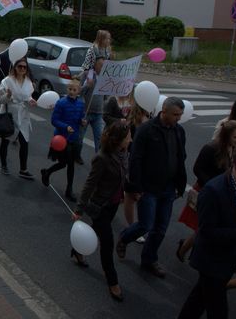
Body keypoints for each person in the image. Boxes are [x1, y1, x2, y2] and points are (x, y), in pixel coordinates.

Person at [177, 143, 236, 319]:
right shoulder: (214, 190)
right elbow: (206, 232)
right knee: (218, 310)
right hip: (212, 261)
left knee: (197, 301)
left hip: (227, 258)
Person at [116, 97, 187, 278]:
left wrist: (180, 183)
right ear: (164, 110)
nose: (178, 118)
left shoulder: (179, 131)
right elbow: (136, 159)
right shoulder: (146, 130)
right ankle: (124, 238)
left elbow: (180, 158)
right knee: (145, 224)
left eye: (180, 115)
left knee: (161, 227)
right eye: (175, 115)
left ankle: (149, 259)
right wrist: (136, 187)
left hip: (168, 187)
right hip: (148, 187)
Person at [73, 120, 132, 302]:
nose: (131, 139)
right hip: (99, 206)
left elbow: (123, 175)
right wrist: (79, 209)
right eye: (128, 137)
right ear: (118, 139)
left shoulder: (123, 153)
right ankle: (112, 282)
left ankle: (77, 249)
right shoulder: (102, 158)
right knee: (107, 244)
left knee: (98, 231)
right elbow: (90, 184)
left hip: (113, 204)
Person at [176, 120, 236, 262]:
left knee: (205, 227)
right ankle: (184, 250)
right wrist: (212, 185)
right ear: (226, 136)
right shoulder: (211, 148)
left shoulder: (234, 149)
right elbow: (197, 169)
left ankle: (187, 248)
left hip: (220, 192)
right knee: (202, 227)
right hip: (207, 191)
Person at [40, 79, 86, 201]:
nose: (71, 91)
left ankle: (68, 189)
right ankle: (48, 173)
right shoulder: (61, 103)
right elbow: (54, 120)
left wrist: (82, 121)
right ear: (67, 89)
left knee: (69, 164)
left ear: (78, 91)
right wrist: (66, 127)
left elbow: (80, 118)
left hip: (73, 138)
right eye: (70, 89)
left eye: (74, 89)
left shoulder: (81, 104)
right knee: (64, 163)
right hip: (61, 139)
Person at [0, 57, 37, 179]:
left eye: (24, 67)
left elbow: (28, 96)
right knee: (6, 140)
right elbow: (1, 100)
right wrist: (8, 95)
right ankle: (4, 165)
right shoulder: (7, 81)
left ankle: (23, 169)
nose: (22, 69)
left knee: (24, 142)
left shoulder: (29, 82)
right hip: (9, 115)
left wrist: (31, 101)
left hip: (23, 115)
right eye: (20, 66)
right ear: (15, 67)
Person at [122, 100, 150, 244]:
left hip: (146, 163)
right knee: (130, 195)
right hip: (133, 161)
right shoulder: (132, 122)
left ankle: (138, 225)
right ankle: (132, 225)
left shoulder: (150, 119)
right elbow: (127, 144)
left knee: (140, 195)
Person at [76, 56, 106, 165]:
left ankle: (99, 160)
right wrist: (88, 86)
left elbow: (106, 96)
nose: (102, 67)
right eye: (100, 65)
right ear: (95, 65)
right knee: (80, 137)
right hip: (85, 112)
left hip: (98, 113)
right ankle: (77, 155)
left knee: (100, 138)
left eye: (104, 65)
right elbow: (78, 92)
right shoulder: (87, 74)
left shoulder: (105, 77)